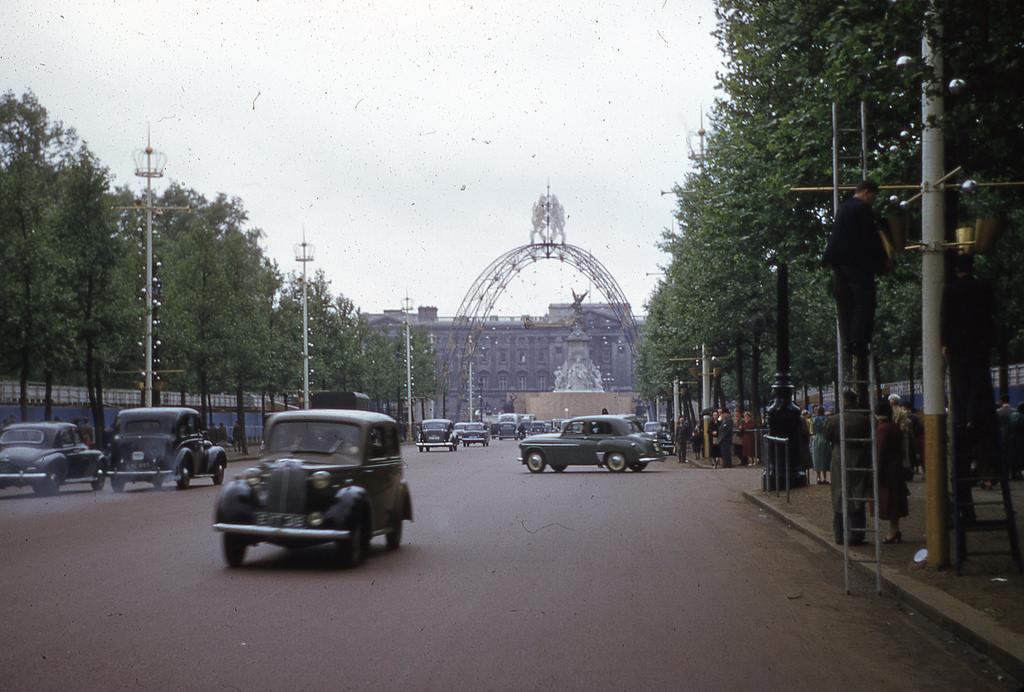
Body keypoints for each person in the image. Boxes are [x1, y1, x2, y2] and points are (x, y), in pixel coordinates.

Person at [941, 252, 999, 503]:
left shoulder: (951, 290)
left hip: (959, 343)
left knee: (962, 384)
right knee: (978, 381)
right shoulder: (985, 286)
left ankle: (966, 417)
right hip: (980, 342)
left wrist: (945, 343)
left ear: (955, 269)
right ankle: (974, 417)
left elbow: (946, 318)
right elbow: (992, 311)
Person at [822, 180, 890, 374]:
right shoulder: (863, 210)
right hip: (857, 263)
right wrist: (883, 260)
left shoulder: (843, 208)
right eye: (873, 197)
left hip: (838, 262)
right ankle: (859, 342)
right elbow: (870, 238)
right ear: (867, 193)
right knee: (864, 302)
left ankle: (847, 342)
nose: (873, 201)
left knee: (845, 303)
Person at [824, 391, 872, 545]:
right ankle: (857, 535)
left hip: (840, 457)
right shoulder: (864, 419)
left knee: (839, 493)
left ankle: (840, 535)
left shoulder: (835, 419)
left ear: (843, 401)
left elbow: (826, 436)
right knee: (858, 493)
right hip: (859, 456)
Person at [874, 400, 910, 543]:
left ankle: (893, 531)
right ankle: (895, 529)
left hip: (888, 470)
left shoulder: (882, 429)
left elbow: (880, 451)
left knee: (889, 502)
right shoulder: (894, 427)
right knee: (896, 500)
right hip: (896, 468)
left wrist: (876, 470)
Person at [811, 405, 831, 485]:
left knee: (817, 458)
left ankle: (818, 478)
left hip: (817, 438)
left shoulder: (814, 420)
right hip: (825, 439)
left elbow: (814, 430)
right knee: (825, 459)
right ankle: (825, 478)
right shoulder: (826, 420)